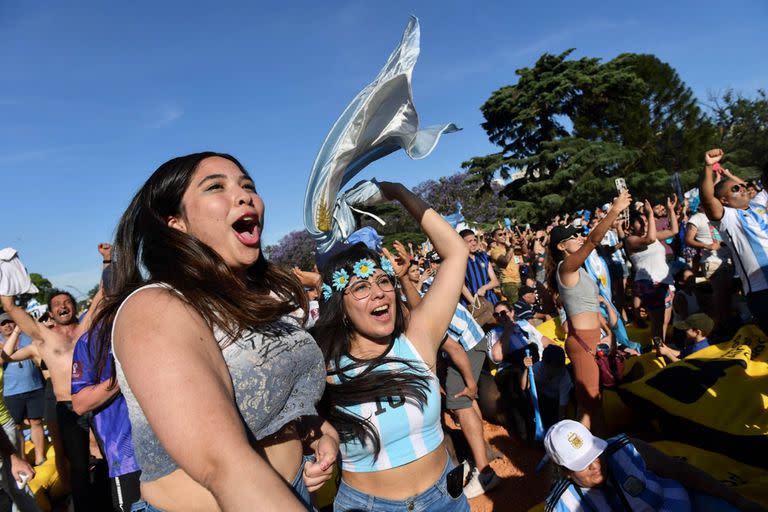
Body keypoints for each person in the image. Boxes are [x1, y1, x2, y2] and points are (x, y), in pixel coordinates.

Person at [88, 152, 337, 511]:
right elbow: (224, 465)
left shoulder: (255, 298)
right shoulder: (158, 307)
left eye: (247, 185)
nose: (244, 195)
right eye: (216, 187)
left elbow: (271, 402)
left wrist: (318, 433)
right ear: (177, 224)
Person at [313, 182, 471, 511]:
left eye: (383, 281)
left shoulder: (418, 338)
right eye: (360, 287)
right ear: (339, 306)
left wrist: (397, 192)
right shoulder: (323, 364)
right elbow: (304, 422)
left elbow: (456, 251)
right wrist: (322, 440)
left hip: (446, 498)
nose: (380, 292)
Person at [1, 251, 108, 512]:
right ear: (50, 311)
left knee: (110, 457)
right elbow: (11, 307)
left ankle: (113, 501)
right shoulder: (43, 338)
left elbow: (102, 297)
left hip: (99, 402)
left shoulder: (85, 329)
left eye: (67, 301)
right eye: (57, 303)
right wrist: (7, 276)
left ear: (73, 307)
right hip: (67, 409)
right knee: (79, 466)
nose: (63, 305)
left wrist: (107, 261)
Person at [545, 191, 632, 433]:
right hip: (584, 342)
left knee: (595, 401)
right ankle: (576, 462)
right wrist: (613, 211)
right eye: (575, 236)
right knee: (588, 404)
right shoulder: (566, 267)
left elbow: (588, 303)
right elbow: (593, 241)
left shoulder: (578, 270)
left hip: (592, 338)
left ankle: (600, 448)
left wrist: (605, 326)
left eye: (580, 234)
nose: (581, 238)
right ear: (562, 246)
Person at [543, 419, 761, 511]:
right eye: (582, 463)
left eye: (595, 454)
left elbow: (679, 470)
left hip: (683, 504)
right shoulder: (563, 505)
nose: (594, 465)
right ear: (565, 472)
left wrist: (738, 499)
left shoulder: (625, 449)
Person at [699, 148, 768, 334]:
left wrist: (734, 179)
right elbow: (706, 198)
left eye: (743, 187)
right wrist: (707, 166)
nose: (743, 189)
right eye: (735, 189)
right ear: (724, 200)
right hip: (762, 291)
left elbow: (751, 186)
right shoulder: (728, 218)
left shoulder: (758, 207)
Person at [624, 199, 678, 341]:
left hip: (664, 282)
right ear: (630, 226)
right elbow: (650, 239)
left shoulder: (652, 237)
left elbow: (674, 230)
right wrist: (649, 214)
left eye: (646, 222)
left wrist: (671, 209)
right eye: (640, 222)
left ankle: (662, 346)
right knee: (657, 321)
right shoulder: (631, 240)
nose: (645, 224)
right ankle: (658, 349)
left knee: (665, 321)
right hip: (649, 284)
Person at [0, 314, 45, 466]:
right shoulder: (0, 343)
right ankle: (22, 460)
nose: (7, 326)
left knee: (37, 421)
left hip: (35, 387)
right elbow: (2, 358)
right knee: (17, 426)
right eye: (3, 324)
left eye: (10, 322)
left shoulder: (27, 338)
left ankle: (40, 458)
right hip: (11, 392)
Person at [521, 345, 572, 431]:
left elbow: (562, 410)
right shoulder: (537, 367)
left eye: (560, 367)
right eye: (555, 367)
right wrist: (526, 369)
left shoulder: (565, 379)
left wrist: (558, 429)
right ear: (544, 364)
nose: (560, 370)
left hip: (554, 404)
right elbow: (524, 387)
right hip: (538, 399)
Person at [459, 229, 500, 307]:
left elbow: (495, 281)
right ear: (462, 243)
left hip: (490, 300)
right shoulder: (460, 261)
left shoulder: (483, 257)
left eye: (474, 240)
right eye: (470, 241)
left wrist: (484, 288)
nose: (474, 243)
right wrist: (474, 303)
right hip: (471, 303)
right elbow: (461, 286)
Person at [488, 228, 522, 303]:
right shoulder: (494, 251)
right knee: (515, 306)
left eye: (504, 234)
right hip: (508, 283)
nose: (503, 236)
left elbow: (524, 251)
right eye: (500, 235)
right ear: (494, 238)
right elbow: (505, 261)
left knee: (521, 305)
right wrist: (512, 245)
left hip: (518, 280)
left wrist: (521, 241)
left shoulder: (509, 248)